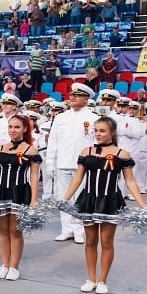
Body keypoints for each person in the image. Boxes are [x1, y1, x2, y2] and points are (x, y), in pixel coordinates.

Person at [62, 116, 147, 294]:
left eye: (102, 131)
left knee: (107, 242)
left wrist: (142, 205)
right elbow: (78, 178)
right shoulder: (86, 151)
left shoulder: (122, 154)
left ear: (112, 132)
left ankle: (102, 280)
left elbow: (130, 181)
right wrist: (65, 198)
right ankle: (91, 278)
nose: (98, 134)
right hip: (89, 200)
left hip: (110, 201)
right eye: (96, 131)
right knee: (90, 241)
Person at [0, 114, 41, 280]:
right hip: (0, 191)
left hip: (20, 192)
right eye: (10, 127)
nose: (13, 130)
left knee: (15, 231)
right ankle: (4, 264)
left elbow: (34, 177)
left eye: (17, 127)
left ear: (25, 129)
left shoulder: (31, 150)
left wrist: (34, 199)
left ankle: (14, 267)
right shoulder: (0, 148)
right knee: (3, 230)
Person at [46, 83, 99, 244]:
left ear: (86, 99)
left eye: (77, 95)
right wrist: (50, 162)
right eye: (71, 95)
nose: (72, 97)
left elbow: (96, 143)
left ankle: (78, 230)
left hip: (82, 165)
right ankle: (66, 229)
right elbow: (53, 141)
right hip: (62, 162)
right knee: (63, 198)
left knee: (79, 198)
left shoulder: (93, 118)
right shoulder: (61, 117)